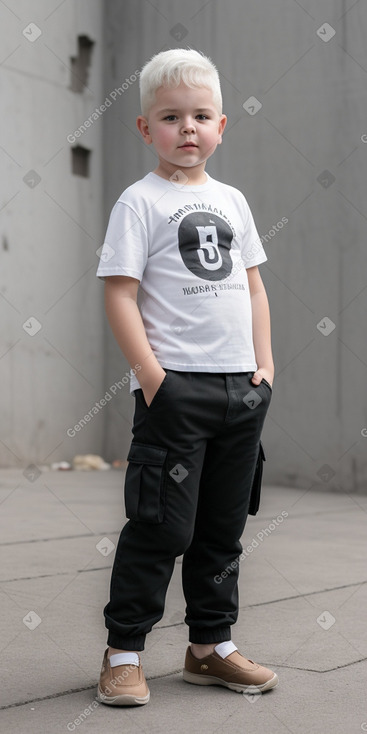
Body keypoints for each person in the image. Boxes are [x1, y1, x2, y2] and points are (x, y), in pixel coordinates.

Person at [96, 47, 278, 706]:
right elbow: (119, 293)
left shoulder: (232, 201)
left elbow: (253, 288)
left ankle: (209, 646)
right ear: (146, 128)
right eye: (171, 117)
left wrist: (264, 365)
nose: (188, 129)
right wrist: (152, 379)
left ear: (221, 125)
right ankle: (123, 652)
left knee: (221, 530)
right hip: (177, 392)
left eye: (201, 116)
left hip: (239, 392)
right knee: (160, 527)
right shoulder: (138, 203)